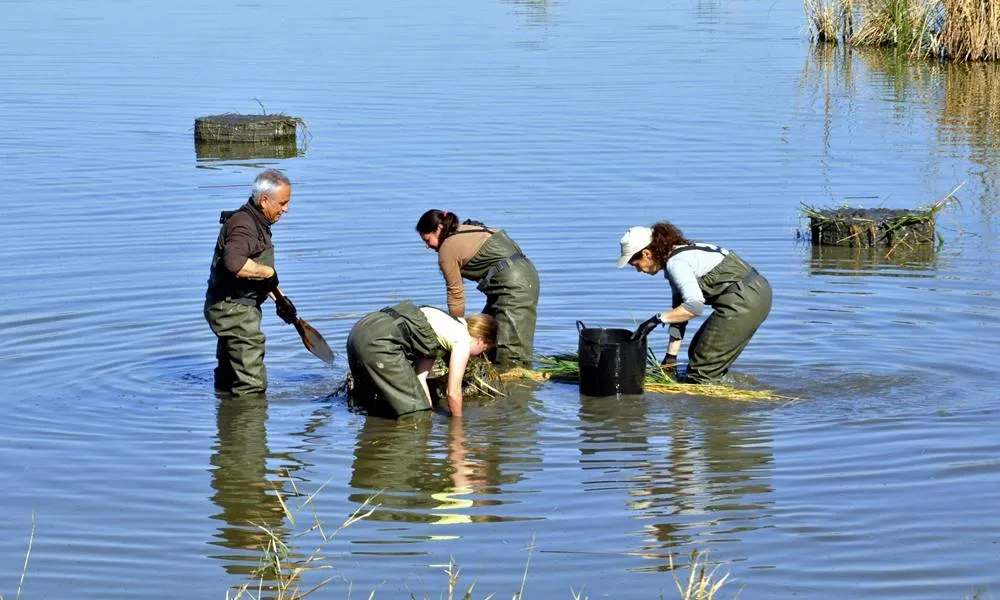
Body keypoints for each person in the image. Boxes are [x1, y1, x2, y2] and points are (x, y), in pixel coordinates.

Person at [619, 222, 772, 384]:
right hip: (755, 292)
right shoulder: (677, 255)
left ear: (646, 253)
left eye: (635, 264)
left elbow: (694, 308)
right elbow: (680, 314)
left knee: (701, 370)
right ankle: (727, 387)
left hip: (745, 300)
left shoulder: (676, 263)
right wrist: (670, 358)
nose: (638, 270)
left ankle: (724, 398)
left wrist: (655, 319)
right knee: (697, 352)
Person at [204, 169, 296, 396]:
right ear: (264, 200)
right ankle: (249, 426)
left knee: (228, 377)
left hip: (227, 306)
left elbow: (258, 272)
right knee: (251, 384)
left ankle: (227, 424)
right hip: (234, 311)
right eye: (283, 203)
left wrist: (281, 300)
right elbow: (235, 263)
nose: (286, 209)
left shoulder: (256, 221)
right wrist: (267, 272)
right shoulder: (244, 225)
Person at [415, 209, 539, 369]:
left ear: (439, 228)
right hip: (518, 278)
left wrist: (455, 332)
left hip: (514, 287)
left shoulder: (447, 249)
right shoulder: (465, 228)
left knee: (511, 355)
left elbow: (455, 294)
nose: (426, 246)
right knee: (483, 336)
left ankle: (517, 389)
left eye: (427, 239)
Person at [346, 300, 497, 418]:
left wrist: (429, 411)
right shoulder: (462, 339)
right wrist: (458, 427)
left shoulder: (444, 325)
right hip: (380, 341)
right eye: (483, 350)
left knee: (377, 405)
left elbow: (420, 378)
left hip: (359, 331)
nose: (477, 356)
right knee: (416, 416)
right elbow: (453, 392)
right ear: (481, 340)